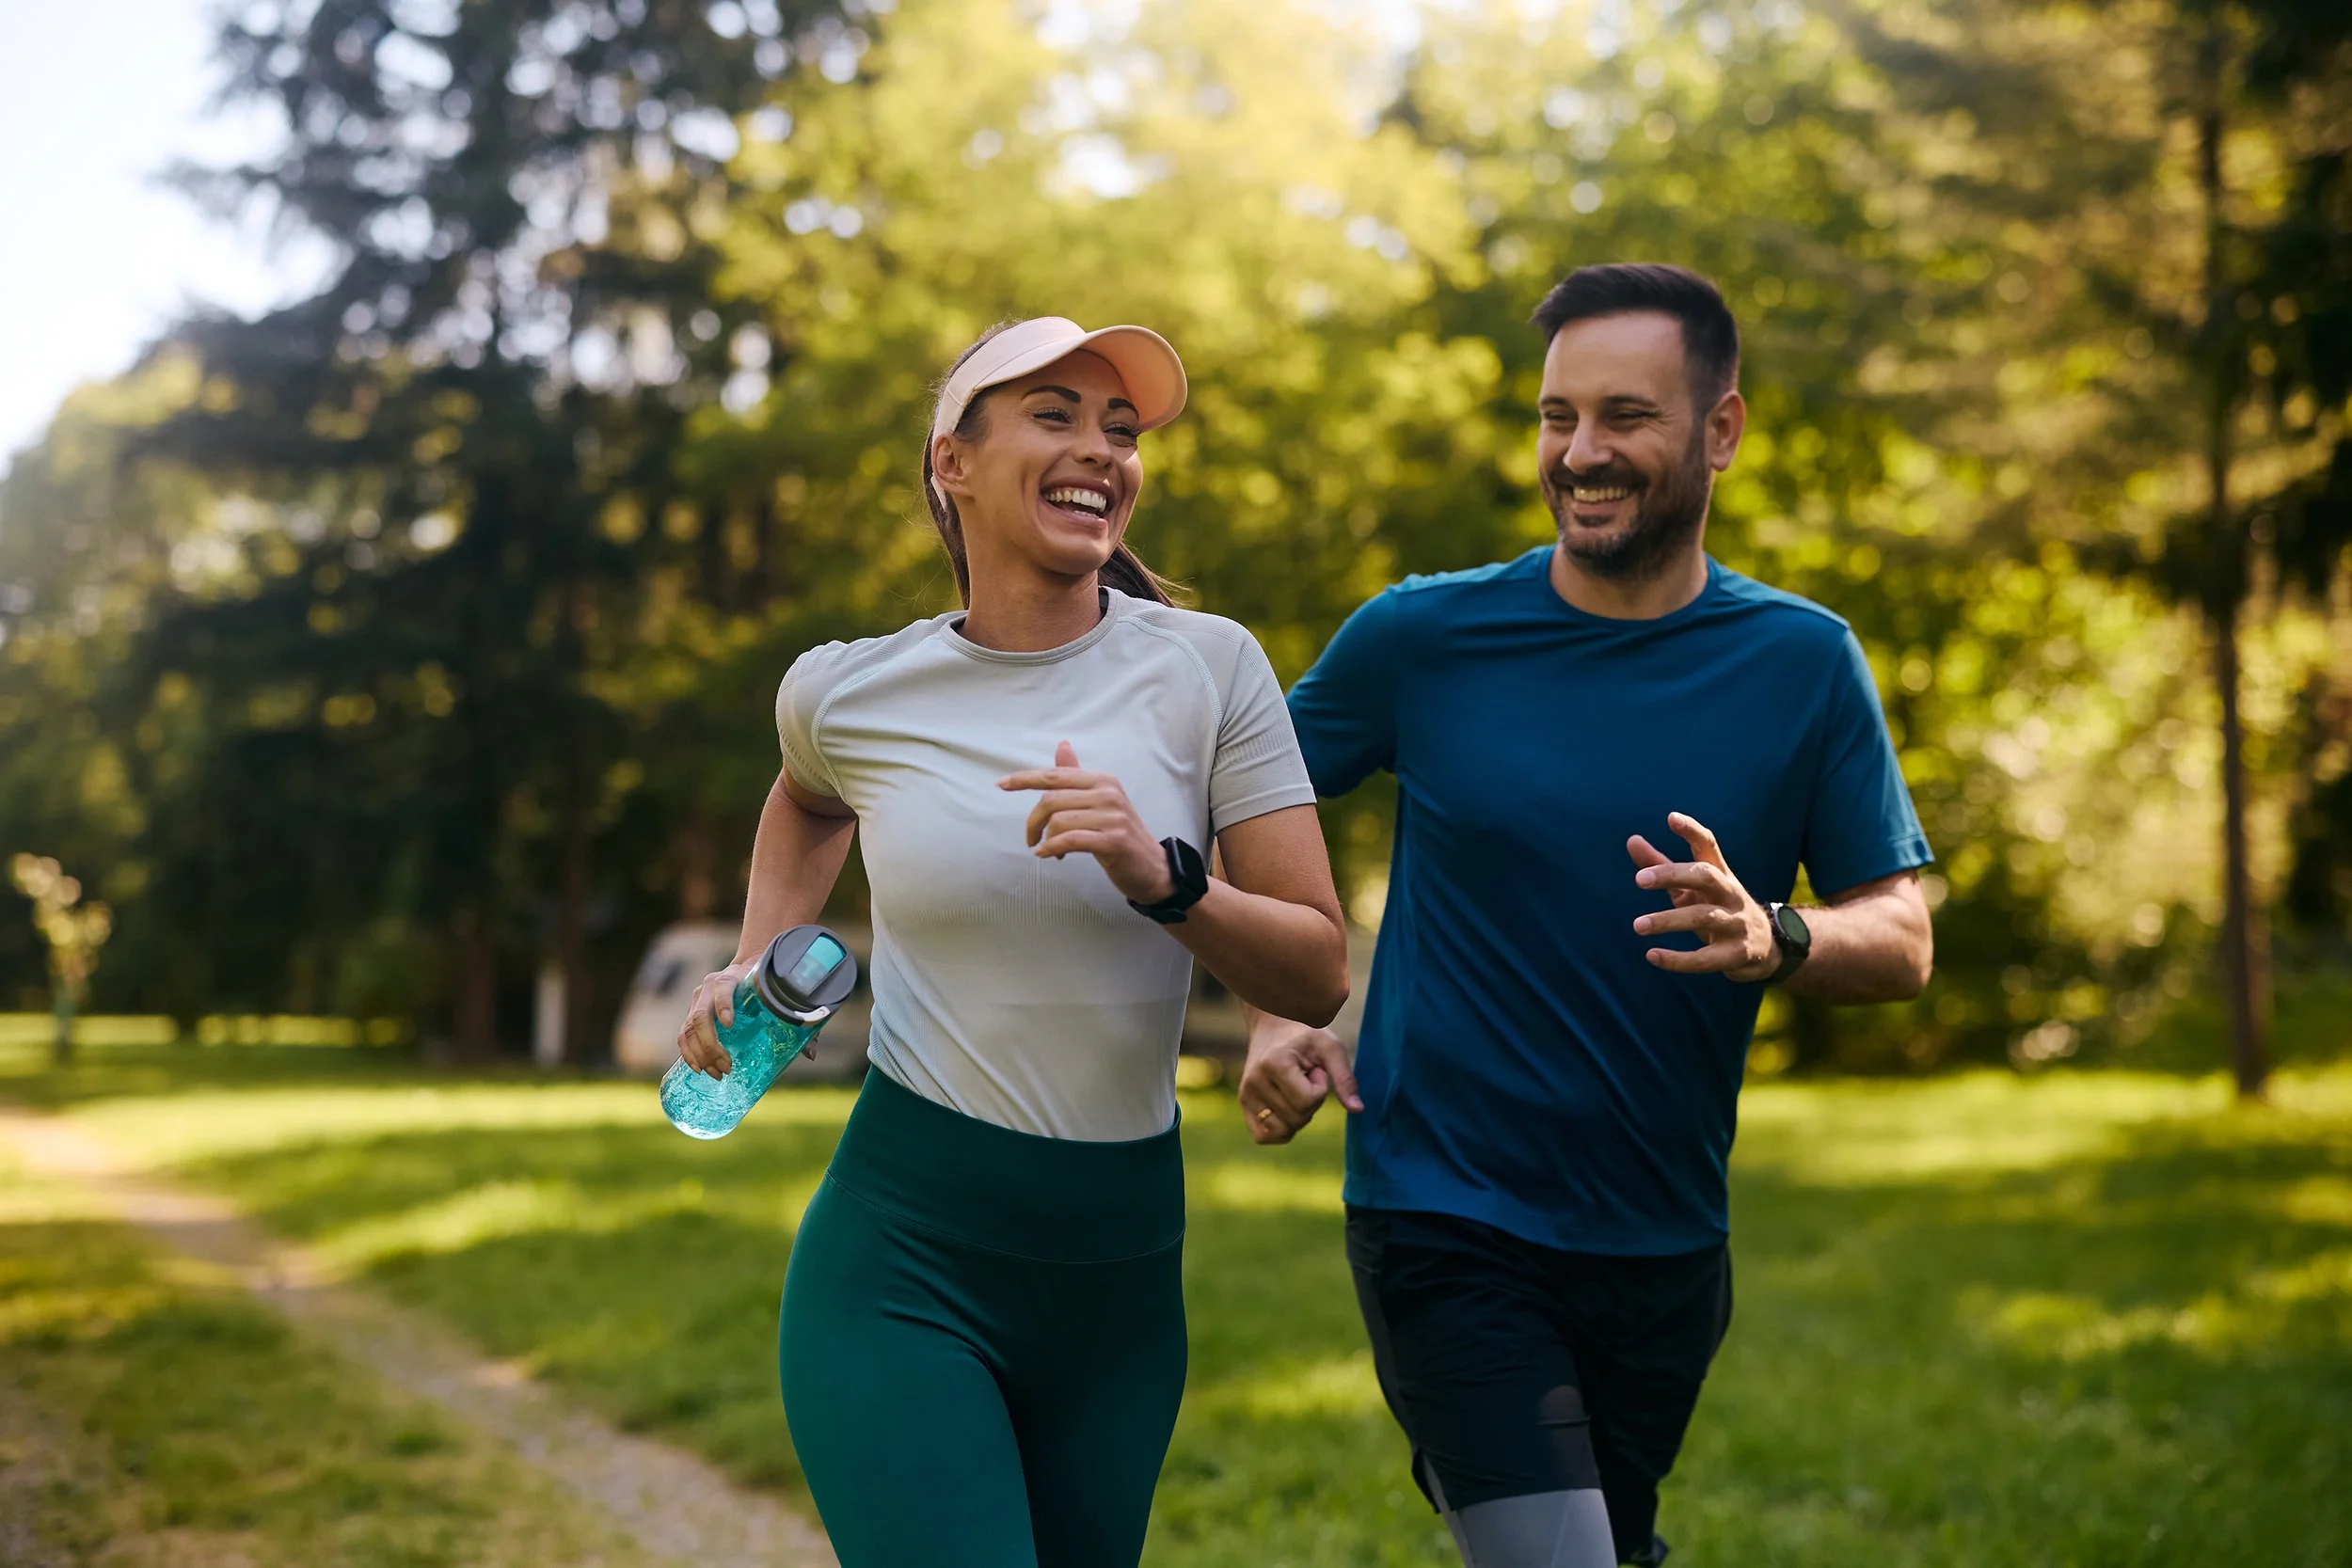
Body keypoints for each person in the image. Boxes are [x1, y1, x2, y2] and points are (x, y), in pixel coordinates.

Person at [1239, 264, 1936, 1568]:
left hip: (1664, 1239)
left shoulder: (1802, 662)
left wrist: (1776, 935)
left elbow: (1899, 937)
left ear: (1720, 430)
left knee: (1609, 1548)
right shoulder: (1422, 637)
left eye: (1626, 416)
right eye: (1559, 417)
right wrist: (1283, 1001)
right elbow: (1242, 797)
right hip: (1444, 1211)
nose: (1582, 453)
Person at [675, 317, 1349, 1568]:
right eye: (1055, 413)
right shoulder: (850, 690)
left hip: (1120, 1283)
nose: (1101, 448)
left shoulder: (1211, 672)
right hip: (903, 1262)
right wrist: (757, 954)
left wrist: (1165, 878)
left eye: (1122, 429)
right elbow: (806, 794)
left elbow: (1315, 964)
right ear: (955, 462)